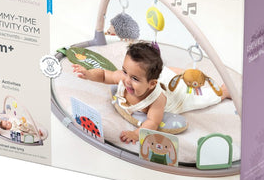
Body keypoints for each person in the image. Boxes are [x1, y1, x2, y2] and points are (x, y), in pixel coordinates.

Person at [72, 42, 230, 144]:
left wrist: (136, 134)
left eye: (134, 78)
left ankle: (223, 91)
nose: (126, 80)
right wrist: (88, 74)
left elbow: (153, 122)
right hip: (159, 78)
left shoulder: (157, 100)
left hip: (178, 97)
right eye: (125, 71)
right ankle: (180, 73)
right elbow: (105, 75)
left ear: (151, 84)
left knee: (202, 98)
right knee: (166, 73)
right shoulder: (125, 78)